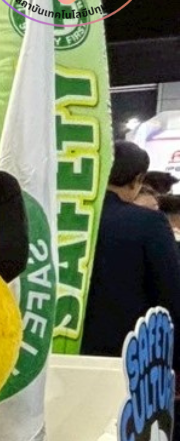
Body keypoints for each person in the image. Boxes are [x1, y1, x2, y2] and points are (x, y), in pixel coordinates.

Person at [82, 140, 180, 356]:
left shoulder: (69, 218)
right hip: (130, 353)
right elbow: (170, 291)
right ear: (137, 179)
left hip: (65, 345)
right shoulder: (148, 223)